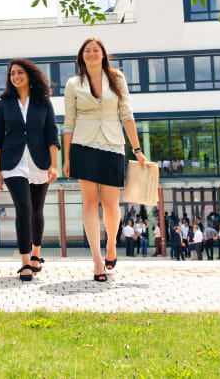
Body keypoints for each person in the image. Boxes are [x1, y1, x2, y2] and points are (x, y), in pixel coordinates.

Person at [62, 38, 153, 283]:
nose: (92, 54)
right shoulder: (73, 83)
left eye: (96, 50)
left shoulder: (117, 79)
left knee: (111, 205)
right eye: (87, 51)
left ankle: (111, 243)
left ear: (103, 54)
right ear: (82, 57)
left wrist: (137, 149)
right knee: (90, 203)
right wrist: (67, 156)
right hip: (83, 145)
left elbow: (127, 114)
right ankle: (97, 260)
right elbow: (68, 122)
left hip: (113, 145)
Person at [0, 59, 59, 281]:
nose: (15, 77)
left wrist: (55, 165)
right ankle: (25, 262)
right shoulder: (4, 104)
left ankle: (37, 254)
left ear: (29, 75)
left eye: (19, 72)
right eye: (12, 74)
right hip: (13, 163)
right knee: (24, 207)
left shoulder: (44, 103)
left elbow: (52, 135)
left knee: (37, 210)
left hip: (40, 162)